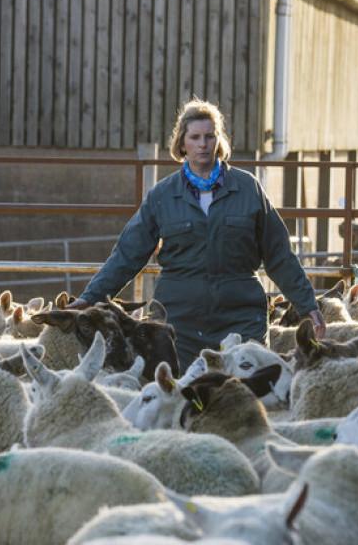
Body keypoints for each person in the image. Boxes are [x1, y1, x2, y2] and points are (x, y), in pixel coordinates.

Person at [69, 98, 324, 371]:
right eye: (195, 137)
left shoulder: (248, 189)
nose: (203, 144)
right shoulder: (163, 196)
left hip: (240, 313)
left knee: (248, 390)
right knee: (185, 394)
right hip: (180, 319)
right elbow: (127, 255)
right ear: (181, 144)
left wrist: (307, 304)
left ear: (219, 141)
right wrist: (91, 297)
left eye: (210, 136)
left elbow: (279, 255)